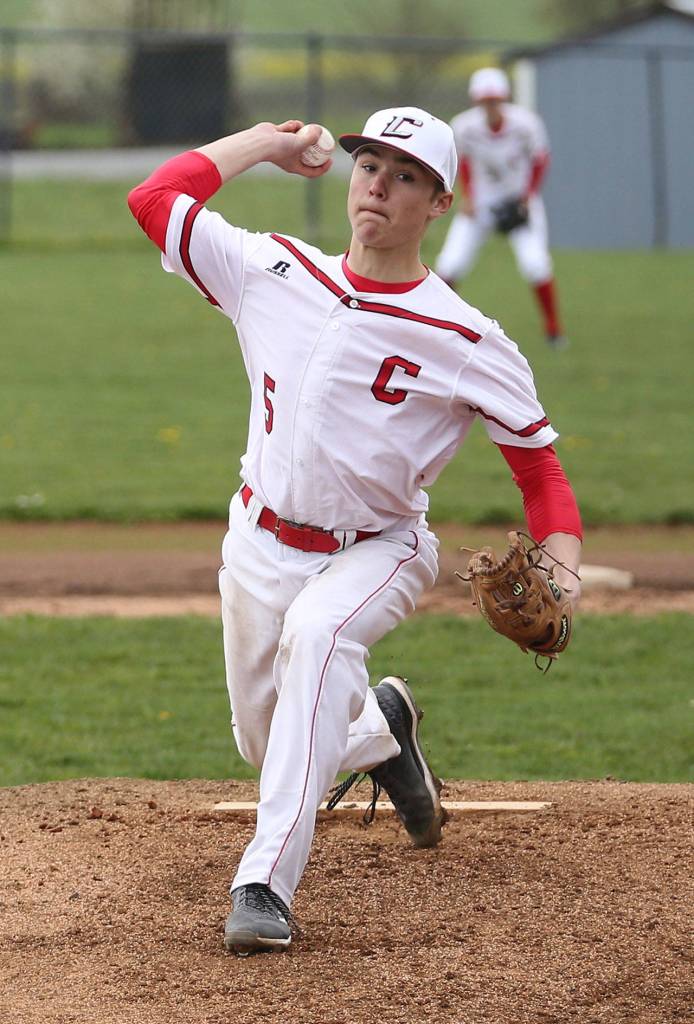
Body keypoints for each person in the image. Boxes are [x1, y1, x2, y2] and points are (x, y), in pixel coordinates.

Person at [127, 106, 582, 956]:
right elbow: (155, 197)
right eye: (370, 164)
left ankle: (263, 885)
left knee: (317, 636)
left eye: (405, 175)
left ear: (440, 202)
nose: (378, 183)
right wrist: (267, 142)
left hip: (380, 549)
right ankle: (380, 732)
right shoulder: (272, 267)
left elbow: (540, 471)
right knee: (269, 742)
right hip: (257, 541)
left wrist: (567, 566)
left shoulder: (466, 336)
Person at [435, 67, 568, 348]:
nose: (490, 105)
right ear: (476, 101)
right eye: (485, 100)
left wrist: (527, 196)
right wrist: (468, 196)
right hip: (482, 201)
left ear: (504, 98)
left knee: (535, 264)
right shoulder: (464, 125)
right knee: (451, 263)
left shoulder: (526, 123)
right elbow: (464, 162)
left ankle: (554, 329)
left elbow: (540, 160)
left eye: (494, 99)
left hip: (517, 199)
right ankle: (432, 322)